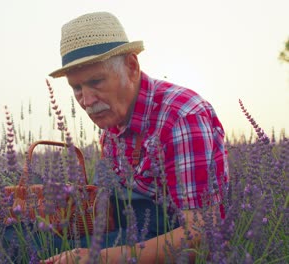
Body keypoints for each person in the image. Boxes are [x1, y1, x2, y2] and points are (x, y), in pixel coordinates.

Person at [43, 12, 229, 263]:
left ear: (131, 67)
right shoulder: (113, 119)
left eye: (96, 81)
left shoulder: (181, 118)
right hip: (129, 235)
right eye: (77, 88)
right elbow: (112, 210)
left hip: (165, 246)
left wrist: (98, 258)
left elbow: (202, 232)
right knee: (17, 238)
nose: (86, 101)